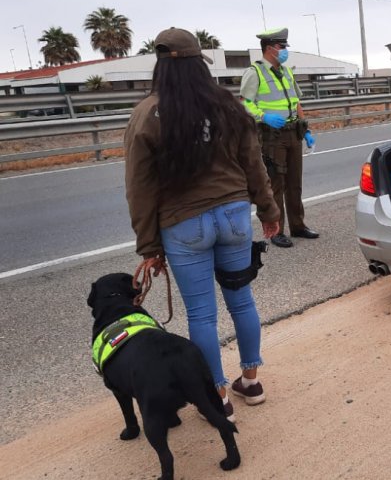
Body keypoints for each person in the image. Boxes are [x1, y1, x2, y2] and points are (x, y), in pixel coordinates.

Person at [124, 27, 280, 422]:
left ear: (160, 66)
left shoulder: (147, 114)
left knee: (202, 316)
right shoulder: (228, 106)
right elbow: (253, 164)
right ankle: (252, 380)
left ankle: (218, 396)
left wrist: (149, 246)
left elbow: (139, 188)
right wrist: (269, 211)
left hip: (184, 225)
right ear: (199, 65)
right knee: (242, 300)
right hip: (233, 216)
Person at [240, 27, 319, 248]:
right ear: (270, 48)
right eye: (282, 47)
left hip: (293, 133)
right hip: (272, 136)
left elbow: (296, 102)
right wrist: (263, 116)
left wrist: (306, 130)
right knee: (276, 184)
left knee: (295, 182)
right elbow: (245, 103)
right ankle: (276, 230)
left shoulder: (286, 71)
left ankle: (298, 225)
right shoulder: (254, 72)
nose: (284, 51)